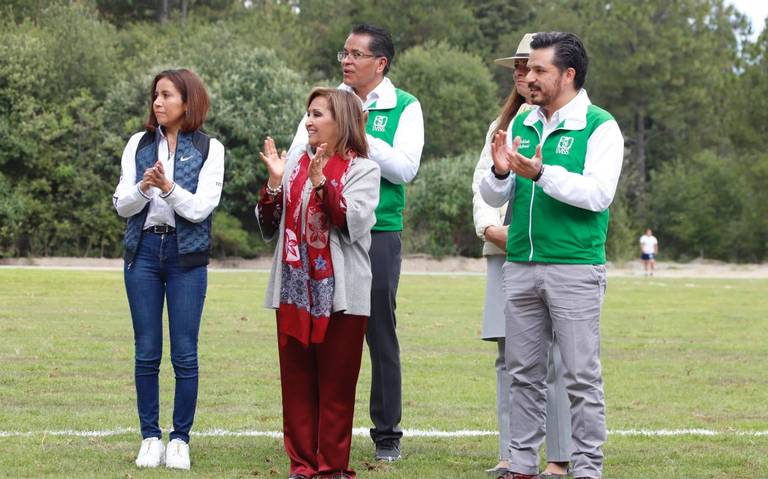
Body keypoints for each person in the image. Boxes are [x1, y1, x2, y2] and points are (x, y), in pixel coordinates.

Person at [480, 32, 624, 479]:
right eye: (529, 69)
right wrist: (501, 171)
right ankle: (521, 464)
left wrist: (542, 172)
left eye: (540, 69)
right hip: (520, 264)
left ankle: (586, 469)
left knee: (580, 376)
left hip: (574, 266)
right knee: (523, 373)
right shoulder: (522, 121)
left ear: (568, 75)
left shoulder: (600, 126)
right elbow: (494, 192)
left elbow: (597, 195)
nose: (529, 77)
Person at [288, 23, 424, 462]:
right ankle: (318, 437)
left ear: (380, 63)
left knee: (377, 329)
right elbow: (297, 160)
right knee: (318, 331)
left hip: (376, 230)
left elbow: (405, 169)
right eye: (343, 53)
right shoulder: (325, 104)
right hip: (319, 232)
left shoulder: (404, 106)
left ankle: (387, 434)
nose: (346, 61)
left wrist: (356, 136)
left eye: (356, 54)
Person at [256, 87, 381, 479]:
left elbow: (351, 224)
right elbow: (267, 225)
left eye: (317, 114)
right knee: (296, 384)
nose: (308, 121)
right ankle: (302, 466)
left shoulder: (364, 169)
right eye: (307, 114)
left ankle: (330, 469)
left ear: (341, 121)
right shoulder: (293, 163)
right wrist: (275, 185)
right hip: (294, 289)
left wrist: (324, 184)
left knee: (336, 389)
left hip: (342, 297)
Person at [113, 68, 225, 470]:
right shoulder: (137, 144)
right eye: (155, 96)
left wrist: (168, 188)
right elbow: (121, 204)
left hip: (186, 259)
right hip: (142, 253)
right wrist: (144, 188)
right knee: (146, 352)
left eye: (166, 95)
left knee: (185, 353)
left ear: (188, 101)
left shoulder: (211, 148)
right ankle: (149, 437)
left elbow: (200, 208)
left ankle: (179, 439)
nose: (158, 103)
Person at [472, 33, 573, 478]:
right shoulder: (502, 124)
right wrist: (493, 230)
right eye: (517, 66)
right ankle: (513, 454)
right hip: (503, 253)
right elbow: (483, 184)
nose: (522, 73)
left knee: (552, 359)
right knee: (508, 356)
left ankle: (560, 456)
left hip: (549, 252)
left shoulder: (567, 121)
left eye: (529, 65)